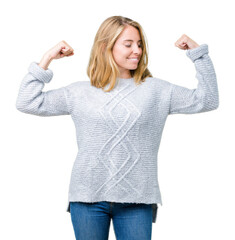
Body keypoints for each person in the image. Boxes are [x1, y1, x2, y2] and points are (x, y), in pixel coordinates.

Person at [15, 15, 219, 240]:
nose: (137, 51)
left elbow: (207, 100)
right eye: (129, 44)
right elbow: (27, 102)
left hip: (137, 199)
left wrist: (198, 54)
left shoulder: (157, 90)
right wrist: (47, 58)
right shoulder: (79, 92)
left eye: (140, 44)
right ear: (106, 46)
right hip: (87, 198)